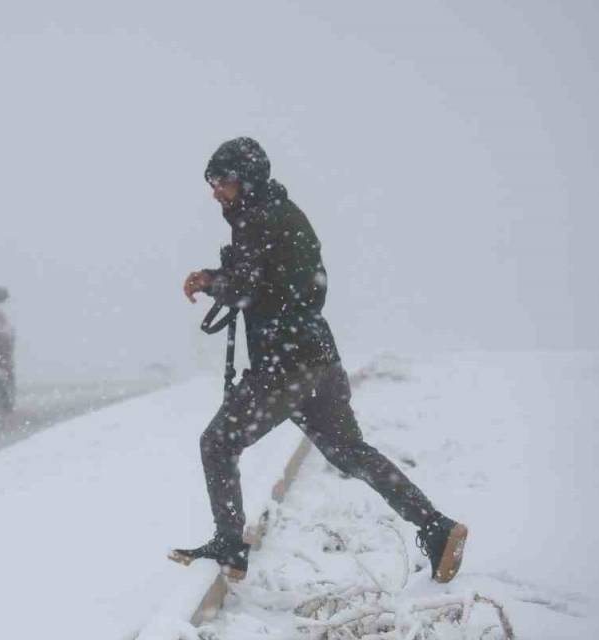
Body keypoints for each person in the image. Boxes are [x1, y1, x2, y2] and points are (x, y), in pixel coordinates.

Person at [173, 137, 467, 583]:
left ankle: (230, 545)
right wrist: (223, 278)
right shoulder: (284, 215)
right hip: (318, 361)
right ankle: (437, 526)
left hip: (283, 366)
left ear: (245, 180)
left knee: (217, 443)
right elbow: (284, 285)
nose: (215, 192)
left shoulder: (258, 220)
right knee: (350, 452)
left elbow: (249, 289)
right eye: (211, 183)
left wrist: (213, 282)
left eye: (221, 182)